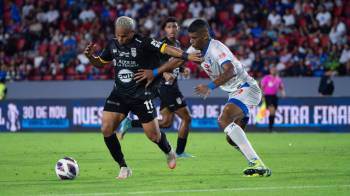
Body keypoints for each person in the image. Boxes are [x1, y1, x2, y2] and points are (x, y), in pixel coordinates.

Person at [135, 19, 271, 177]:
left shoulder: (216, 48)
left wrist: (210, 87)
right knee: (232, 140)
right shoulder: (196, 49)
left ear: (205, 35)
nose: (191, 41)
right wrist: (155, 72)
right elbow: (177, 61)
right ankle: (257, 164)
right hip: (235, 92)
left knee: (223, 119)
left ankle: (257, 163)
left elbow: (230, 71)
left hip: (247, 88)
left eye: (194, 38)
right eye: (190, 38)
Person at [84, 16, 201, 180]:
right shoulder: (112, 44)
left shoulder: (144, 43)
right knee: (106, 128)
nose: (120, 39)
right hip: (119, 94)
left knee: (154, 136)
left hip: (141, 95)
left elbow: (166, 48)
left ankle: (169, 151)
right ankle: (123, 166)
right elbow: (101, 63)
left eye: (124, 36)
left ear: (132, 32)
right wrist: (91, 57)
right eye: (118, 35)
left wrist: (186, 56)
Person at [117, 17, 193, 158]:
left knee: (166, 122)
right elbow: (155, 62)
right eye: (169, 27)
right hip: (167, 87)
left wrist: (182, 70)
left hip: (170, 86)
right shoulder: (162, 44)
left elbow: (171, 63)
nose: (172, 29)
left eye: (174, 26)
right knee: (187, 118)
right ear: (164, 29)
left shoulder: (176, 43)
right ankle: (180, 152)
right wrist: (163, 73)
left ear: (178, 29)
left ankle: (130, 123)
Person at [260, 65, 286, 131]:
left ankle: (270, 127)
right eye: (272, 70)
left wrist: (283, 92)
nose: (273, 71)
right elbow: (262, 87)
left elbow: (281, 87)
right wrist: (262, 96)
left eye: (274, 70)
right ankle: (270, 128)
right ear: (270, 71)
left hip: (274, 96)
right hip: (268, 96)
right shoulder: (266, 78)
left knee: (273, 112)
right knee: (272, 110)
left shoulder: (278, 79)